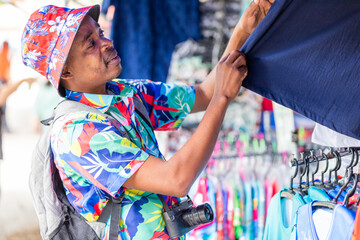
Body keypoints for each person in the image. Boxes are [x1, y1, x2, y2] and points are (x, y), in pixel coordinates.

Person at [22, 1, 273, 239]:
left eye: (101, 33)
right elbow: (176, 179)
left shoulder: (125, 93)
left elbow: (203, 94)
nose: (107, 43)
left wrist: (244, 29)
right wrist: (223, 97)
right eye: (91, 44)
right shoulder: (77, 132)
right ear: (65, 71)